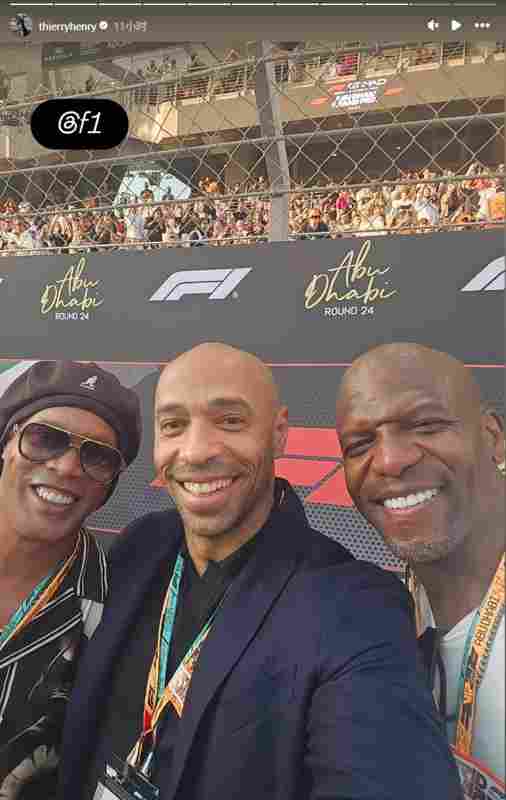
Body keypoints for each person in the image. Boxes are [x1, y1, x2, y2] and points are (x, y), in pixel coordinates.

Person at [60, 342, 462, 800]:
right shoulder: (138, 547)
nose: (195, 451)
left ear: (279, 434)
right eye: (173, 425)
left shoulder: (355, 606)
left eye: (230, 421)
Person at [335, 343, 505, 793]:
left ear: (492, 436)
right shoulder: (379, 610)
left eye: (427, 425)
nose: (391, 461)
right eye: (360, 444)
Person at [0, 361, 141, 800]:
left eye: (97, 456)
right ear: (7, 443)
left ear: (108, 487)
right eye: (45, 439)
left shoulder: (113, 609)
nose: (66, 467)